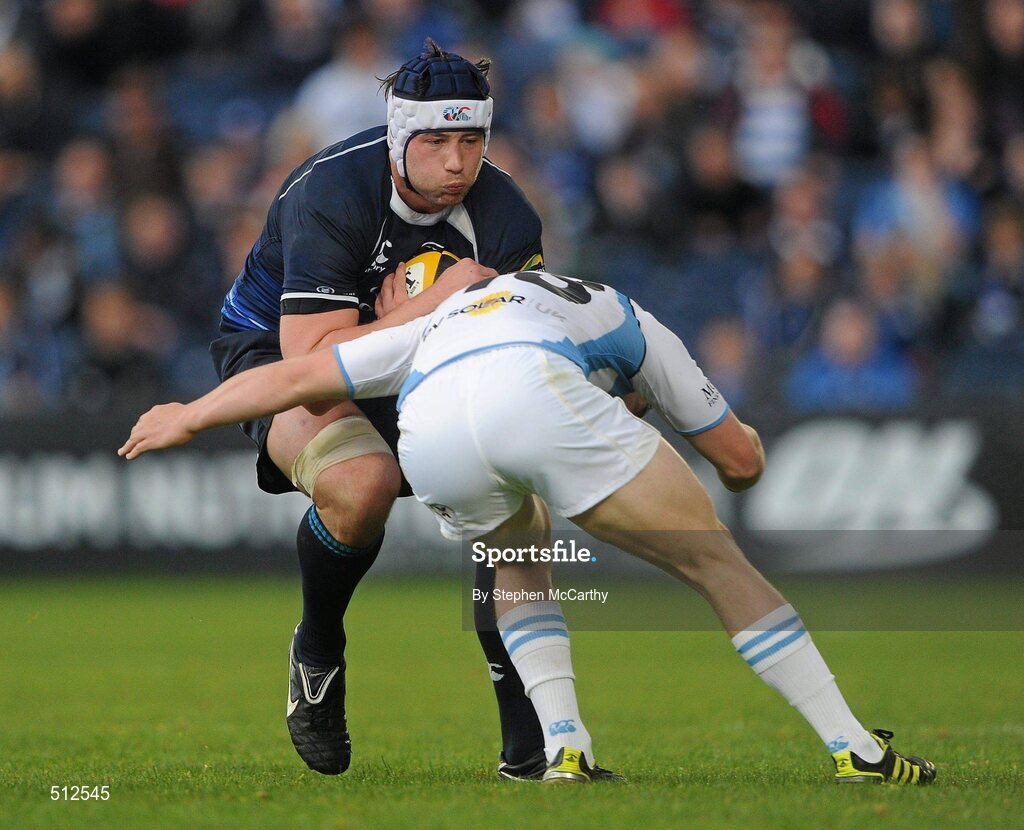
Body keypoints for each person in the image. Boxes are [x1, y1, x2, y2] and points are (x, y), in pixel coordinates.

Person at [121, 267, 937, 786]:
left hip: (430, 435)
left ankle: (565, 749)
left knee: (517, 554)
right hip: (537, 391)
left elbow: (294, 375)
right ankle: (854, 748)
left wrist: (188, 416)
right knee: (719, 567)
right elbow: (742, 463)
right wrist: (703, 425)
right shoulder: (619, 310)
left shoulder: (419, 326)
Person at [209, 40, 549, 776]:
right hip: (277, 355)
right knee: (361, 485)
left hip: (419, 356)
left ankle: (531, 751)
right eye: (435, 141)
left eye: (471, 140)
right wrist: (430, 307)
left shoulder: (507, 214)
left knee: (515, 507)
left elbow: (523, 350)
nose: (457, 163)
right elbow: (314, 371)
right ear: (399, 136)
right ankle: (318, 648)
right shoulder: (329, 192)